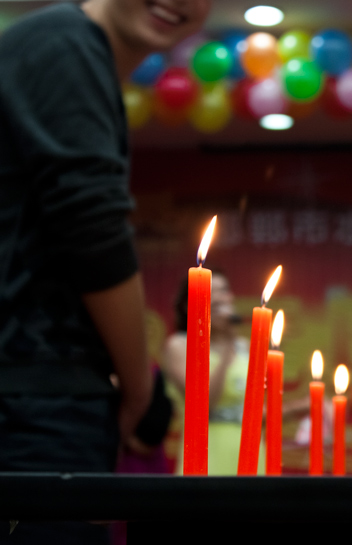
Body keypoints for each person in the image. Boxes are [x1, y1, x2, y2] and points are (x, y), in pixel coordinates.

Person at [0, 0, 210, 540]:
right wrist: (139, 389)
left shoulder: (66, 48)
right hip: (33, 401)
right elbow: (92, 230)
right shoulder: (66, 45)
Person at [164, 270, 265, 475]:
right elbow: (204, 404)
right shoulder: (180, 346)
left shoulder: (246, 347)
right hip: (206, 449)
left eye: (224, 290)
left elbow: (256, 412)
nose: (220, 297)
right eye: (211, 292)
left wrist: (302, 408)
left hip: (248, 450)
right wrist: (227, 346)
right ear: (188, 305)